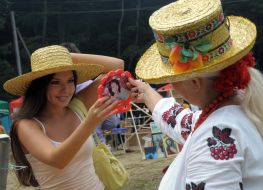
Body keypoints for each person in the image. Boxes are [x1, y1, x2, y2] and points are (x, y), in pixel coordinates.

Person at [128, 0, 263, 189]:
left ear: (194, 82)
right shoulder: (240, 106)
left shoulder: (214, 133)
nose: (172, 86)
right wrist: (146, 92)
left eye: (173, 79)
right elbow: (183, 121)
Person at [3, 45, 124, 189]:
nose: (65, 89)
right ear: (40, 86)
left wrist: (62, 56)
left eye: (70, 80)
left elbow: (117, 67)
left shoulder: (77, 107)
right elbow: (57, 160)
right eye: (55, 82)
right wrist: (89, 123)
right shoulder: (26, 125)